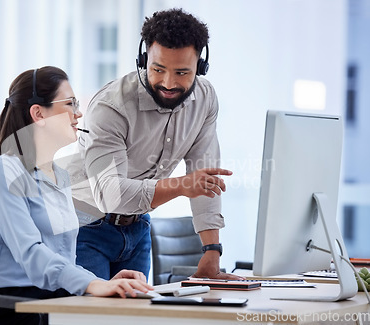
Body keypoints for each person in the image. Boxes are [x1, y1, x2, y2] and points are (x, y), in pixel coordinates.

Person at [66, 8, 244, 281]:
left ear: (201, 66)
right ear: (143, 58)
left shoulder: (205, 99)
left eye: (182, 72)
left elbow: (204, 176)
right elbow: (110, 194)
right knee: (92, 316)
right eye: (157, 69)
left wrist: (212, 251)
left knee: (136, 318)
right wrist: (181, 185)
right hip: (84, 226)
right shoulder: (111, 106)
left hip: (138, 228)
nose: (168, 82)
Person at [0, 67, 152, 325]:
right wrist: (91, 284)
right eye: (70, 103)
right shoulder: (3, 171)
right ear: (38, 113)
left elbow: (63, 259)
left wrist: (103, 283)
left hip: (51, 301)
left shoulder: (60, 176)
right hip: (9, 307)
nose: (78, 113)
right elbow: (31, 253)